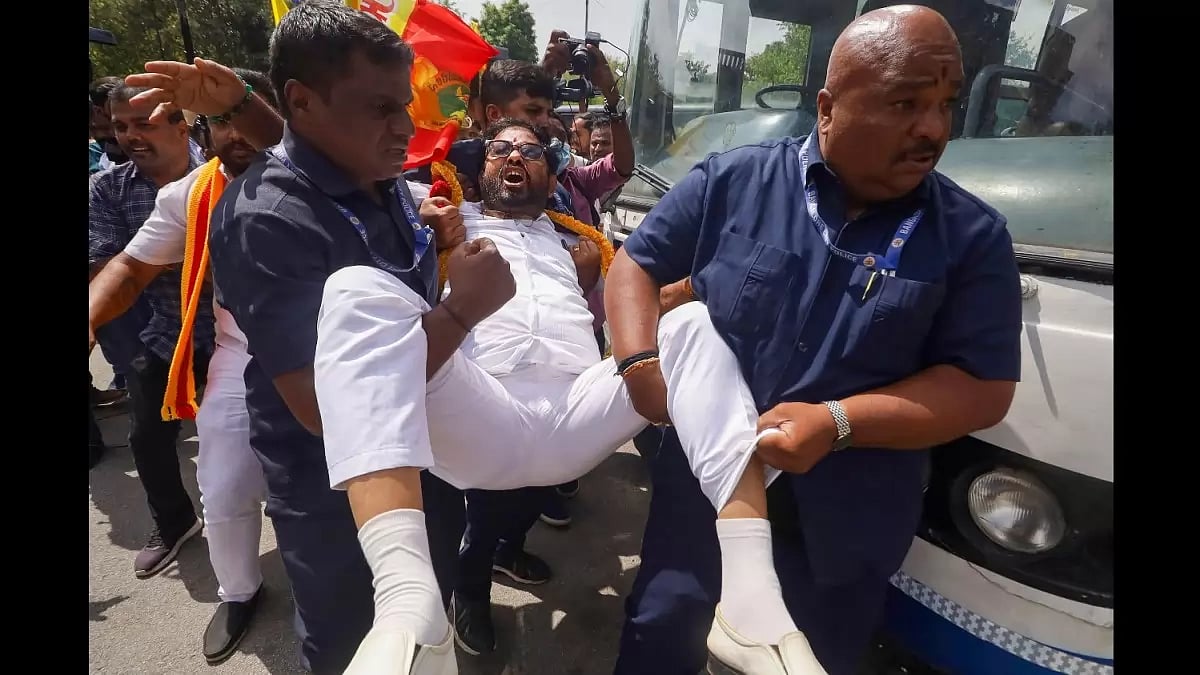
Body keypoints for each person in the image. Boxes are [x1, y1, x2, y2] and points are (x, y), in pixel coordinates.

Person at [315, 117, 826, 675]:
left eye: (530, 152)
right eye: (499, 149)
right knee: (354, 289)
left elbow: (631, 305)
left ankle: (752, 601)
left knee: (693, 324)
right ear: (479, 164)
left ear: (553, 172)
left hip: (576, 417)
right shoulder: (441, 216)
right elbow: (366, 180)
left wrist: (660, 292)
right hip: (480, 413)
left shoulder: (578, 240)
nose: (514, 158)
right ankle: (408, 607)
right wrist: (433, 229)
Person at [606, 6, 1023, 674]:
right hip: (704, 504)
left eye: (947, 104)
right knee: (660, 636)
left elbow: (981, 387)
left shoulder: (973, 238)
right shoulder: (734, 181)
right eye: (906, 103)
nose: (933, 129)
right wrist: (637, 361)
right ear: (829, 107)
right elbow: (636, 264)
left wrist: (839, 422)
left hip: (838, 533)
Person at [127, 4, 467, 671]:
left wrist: (248, 103)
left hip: (429, 455)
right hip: (336, 493)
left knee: (429, 629)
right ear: (305, 101)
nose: (405, 126)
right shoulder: (264, 218)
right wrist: (462, 314)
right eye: (381, 107)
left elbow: (313, 153)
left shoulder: (369, 165)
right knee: (356, 645)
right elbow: (326, 406)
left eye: (404, 105)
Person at [90, 69, 279, 665]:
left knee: (338, 487)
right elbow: (128, 269)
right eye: (218, 121)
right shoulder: (190, 195)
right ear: (203, 127)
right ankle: (240, 592)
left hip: (335, 359)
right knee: (222, 484)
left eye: (243, 116)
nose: (234, 133)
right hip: (237, 356)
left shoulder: (331, 179)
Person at [88, 82, 214, 580]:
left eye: (144, 123)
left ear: (182, 126)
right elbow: (108, 267)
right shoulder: (108, 189)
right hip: (170, 333)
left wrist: (148, 261)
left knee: (266, 433)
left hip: (240, 335)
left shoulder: (226, 172)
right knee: (146, 434)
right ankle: (175, 521)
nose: (130, 136)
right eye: (121, 126)